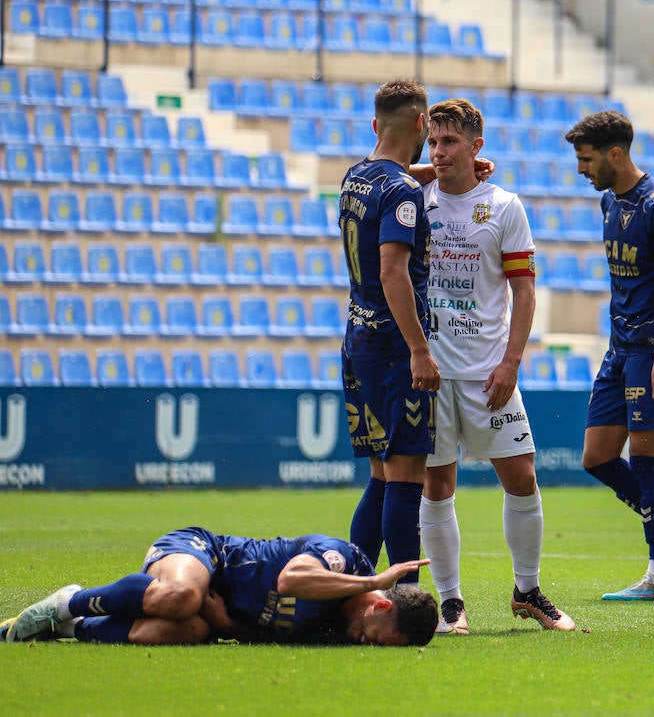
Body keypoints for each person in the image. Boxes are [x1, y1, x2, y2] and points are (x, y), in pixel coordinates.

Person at [418, 98, 574, 634]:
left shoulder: (504, 205)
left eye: (450, 142)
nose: (438, 152)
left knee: (522, 477)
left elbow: (524, 292)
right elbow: (378, 175)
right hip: (432, 372)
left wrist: (512, 361)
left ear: (476, 147)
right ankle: (451, 603)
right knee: (437, 485)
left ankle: (527, 590)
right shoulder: (415, 201)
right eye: (432, 142)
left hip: (489, 370)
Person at [564, 110, 654, 601]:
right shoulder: (610, 201)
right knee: (597, 457)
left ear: (616, 153)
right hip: (620, 347)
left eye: (587, 160)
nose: (582, 170)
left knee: (648, 459)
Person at [1, 527, 437, 646]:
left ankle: (69, 628)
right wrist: (374, 578)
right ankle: (65, 603)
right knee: (182, 598)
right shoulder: (342, 558)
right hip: (204, 554)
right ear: (379, 607)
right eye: (371, 637)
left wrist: (225, 623)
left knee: (179, 630)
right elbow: (291, 580)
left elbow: (266, 634)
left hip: (213, 610)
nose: (360, 642)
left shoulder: (335, 634)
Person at [340, 78, 440, 584]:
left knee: (381, 475)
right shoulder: (403, 192)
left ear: (376, 125)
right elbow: (393, 271)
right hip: (396, 348)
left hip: (358, 342)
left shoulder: (356, 177)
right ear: (422, 123)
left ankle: (349, 588)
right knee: (406, 476)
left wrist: (432, 171)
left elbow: (393, 180)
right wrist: (420, 351)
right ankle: (407, 598)